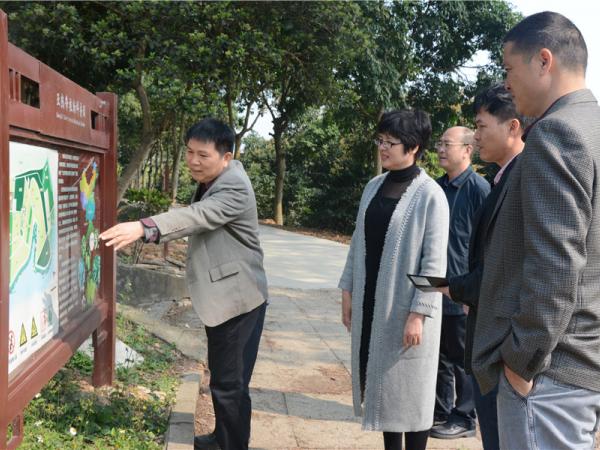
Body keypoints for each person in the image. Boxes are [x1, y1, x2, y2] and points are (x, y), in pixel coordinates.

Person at [471, 12, 600, 449]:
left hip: (547, 374)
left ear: (544, 61)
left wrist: (520, 364)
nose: (506, 84)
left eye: (509, 68)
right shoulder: (593, 127)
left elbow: (556, 264)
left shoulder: (556, 133)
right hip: (577, 364)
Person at [99, 118, 268, 450]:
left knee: (230, 384)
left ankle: (232, 445)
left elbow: (197, 216)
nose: (193, 161)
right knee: (223, 378)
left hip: (238, 300)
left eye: (203, 155)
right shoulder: (213, 178)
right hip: (226, 296)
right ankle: (222, 438)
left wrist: (143, 227)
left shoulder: (234, 186)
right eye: (189, 152)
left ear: (226, 157)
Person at [339, 109, 449, 450]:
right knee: (384, 389)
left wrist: (419, 314)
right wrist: (347, 291)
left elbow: (434, 263)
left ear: (413, 147)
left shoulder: (430, 194)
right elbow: (357, 242)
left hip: (408, 309)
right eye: (380, 140)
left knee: (410, 394)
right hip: (372, 301)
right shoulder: (373, 187)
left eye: (391, 142)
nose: (382, 148)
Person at [437, 83, 525, 450]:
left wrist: (523, 359)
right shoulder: (501, 177)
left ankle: (463, 413)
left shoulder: (518, 180)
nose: (477, 134)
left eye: (481, 125)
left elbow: (517, 269)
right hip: (471, 299)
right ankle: (446, 411)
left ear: (513, 127)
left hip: (502, 336)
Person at [430, 127, 489, 439]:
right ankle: (440, 411)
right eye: (439, 143)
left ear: (467, 149)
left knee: (462, 357)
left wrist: (473, 292)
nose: (440, 149)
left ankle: (465, 416)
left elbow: (486, 246)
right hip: (435, 284)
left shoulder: (480, 190)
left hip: (462, 289)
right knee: (437, 354)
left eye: (447, 144)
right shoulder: (435, 188)